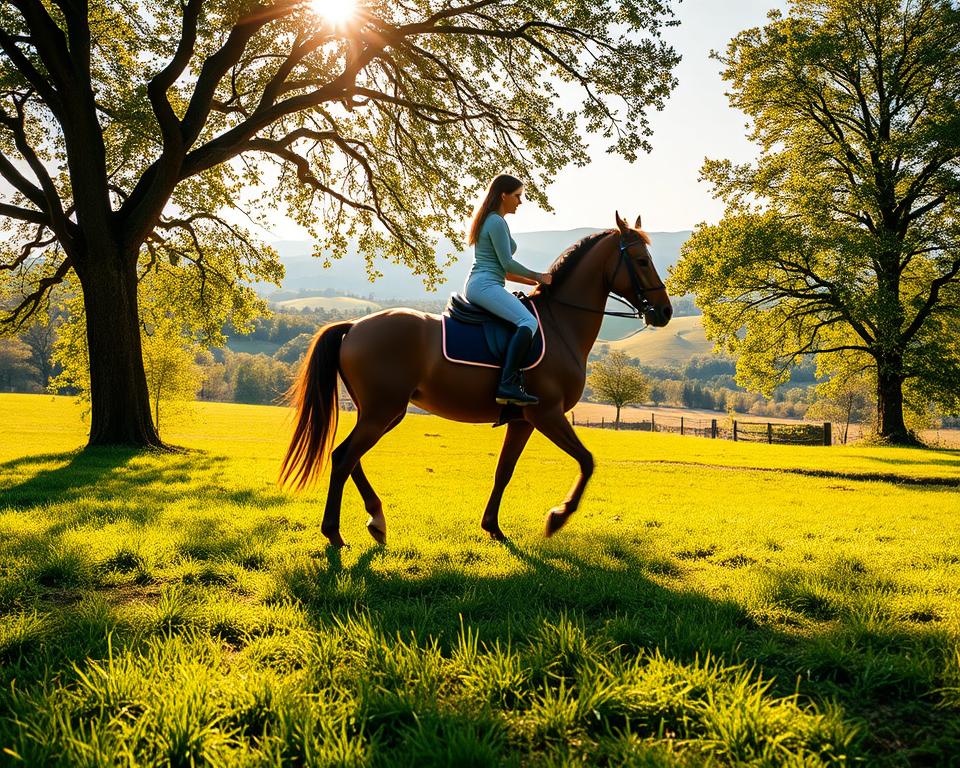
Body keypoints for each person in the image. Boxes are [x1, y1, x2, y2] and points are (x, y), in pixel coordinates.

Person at [465, 174, 553, 406]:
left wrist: (534, 284)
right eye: (517, 196)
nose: (520, 202)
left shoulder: (492, 220)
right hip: (485, 285)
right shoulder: (495, 221)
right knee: (528, 322)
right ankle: (507, 384)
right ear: (503, 195)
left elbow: (504, 272)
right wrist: (538, 276)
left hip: (485, 282)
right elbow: (507, 264)